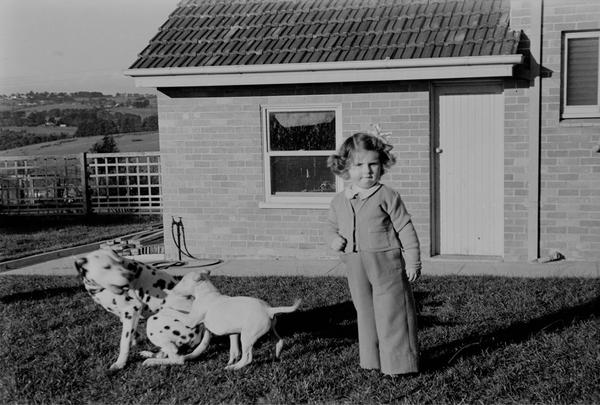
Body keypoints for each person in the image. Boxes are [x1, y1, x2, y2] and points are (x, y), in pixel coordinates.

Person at [324, 131, 421, 376]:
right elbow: (330, 226)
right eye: (359, 165)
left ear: (382, 165)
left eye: (373, 164)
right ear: (345, 168)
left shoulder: (387, 195)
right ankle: (372, 360)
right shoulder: (339, 200)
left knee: (392, 310)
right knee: (365, 312)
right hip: (355, 262)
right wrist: (334, 239)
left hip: (386, 261)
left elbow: (405, 227)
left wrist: (413, 260)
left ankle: (399, 364)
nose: (366, 171)